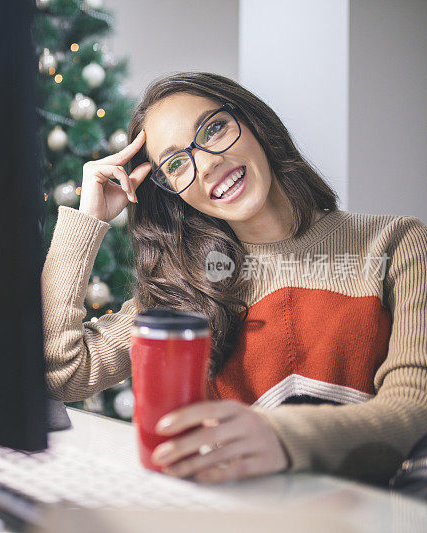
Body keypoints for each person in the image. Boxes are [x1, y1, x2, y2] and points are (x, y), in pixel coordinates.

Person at [41, 72, 427, 486]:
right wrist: (86, 219)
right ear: (170, 190)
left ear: (252, 122)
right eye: (175, 163)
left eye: (214, 128)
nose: (206, 164)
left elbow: (413, 406)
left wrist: (282, 437)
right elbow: (63, 373)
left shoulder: (396, 241)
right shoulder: (186, 286)